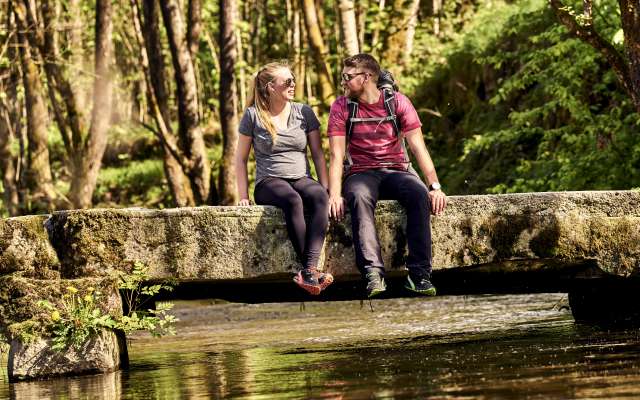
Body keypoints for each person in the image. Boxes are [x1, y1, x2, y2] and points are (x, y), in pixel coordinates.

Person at [327, 54, 447, 298]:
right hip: (361, 172)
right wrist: (335, 195)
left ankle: (419, 275)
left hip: (397, 169)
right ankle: (373, 273)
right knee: (359, 198)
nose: (344, 82)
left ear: (367, 77)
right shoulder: (341, 107)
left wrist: (434, 186)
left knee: (418, 194)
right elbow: (336, 155)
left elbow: (418, 147)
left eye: (348, 77)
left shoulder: (398, 103)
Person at [235, 62, 333, 295]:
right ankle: (310, 271)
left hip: (301, 176)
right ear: (270, 87)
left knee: (319, 196)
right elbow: (240, 159)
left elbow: (318, 154)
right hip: (269, 182)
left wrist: (327, 186)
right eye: (287, 81)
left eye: (293, 79)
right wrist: (243, 196)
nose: (293, 85)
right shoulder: (253, 116)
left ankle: (308, 271)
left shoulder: (304, 112)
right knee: (293, 200)